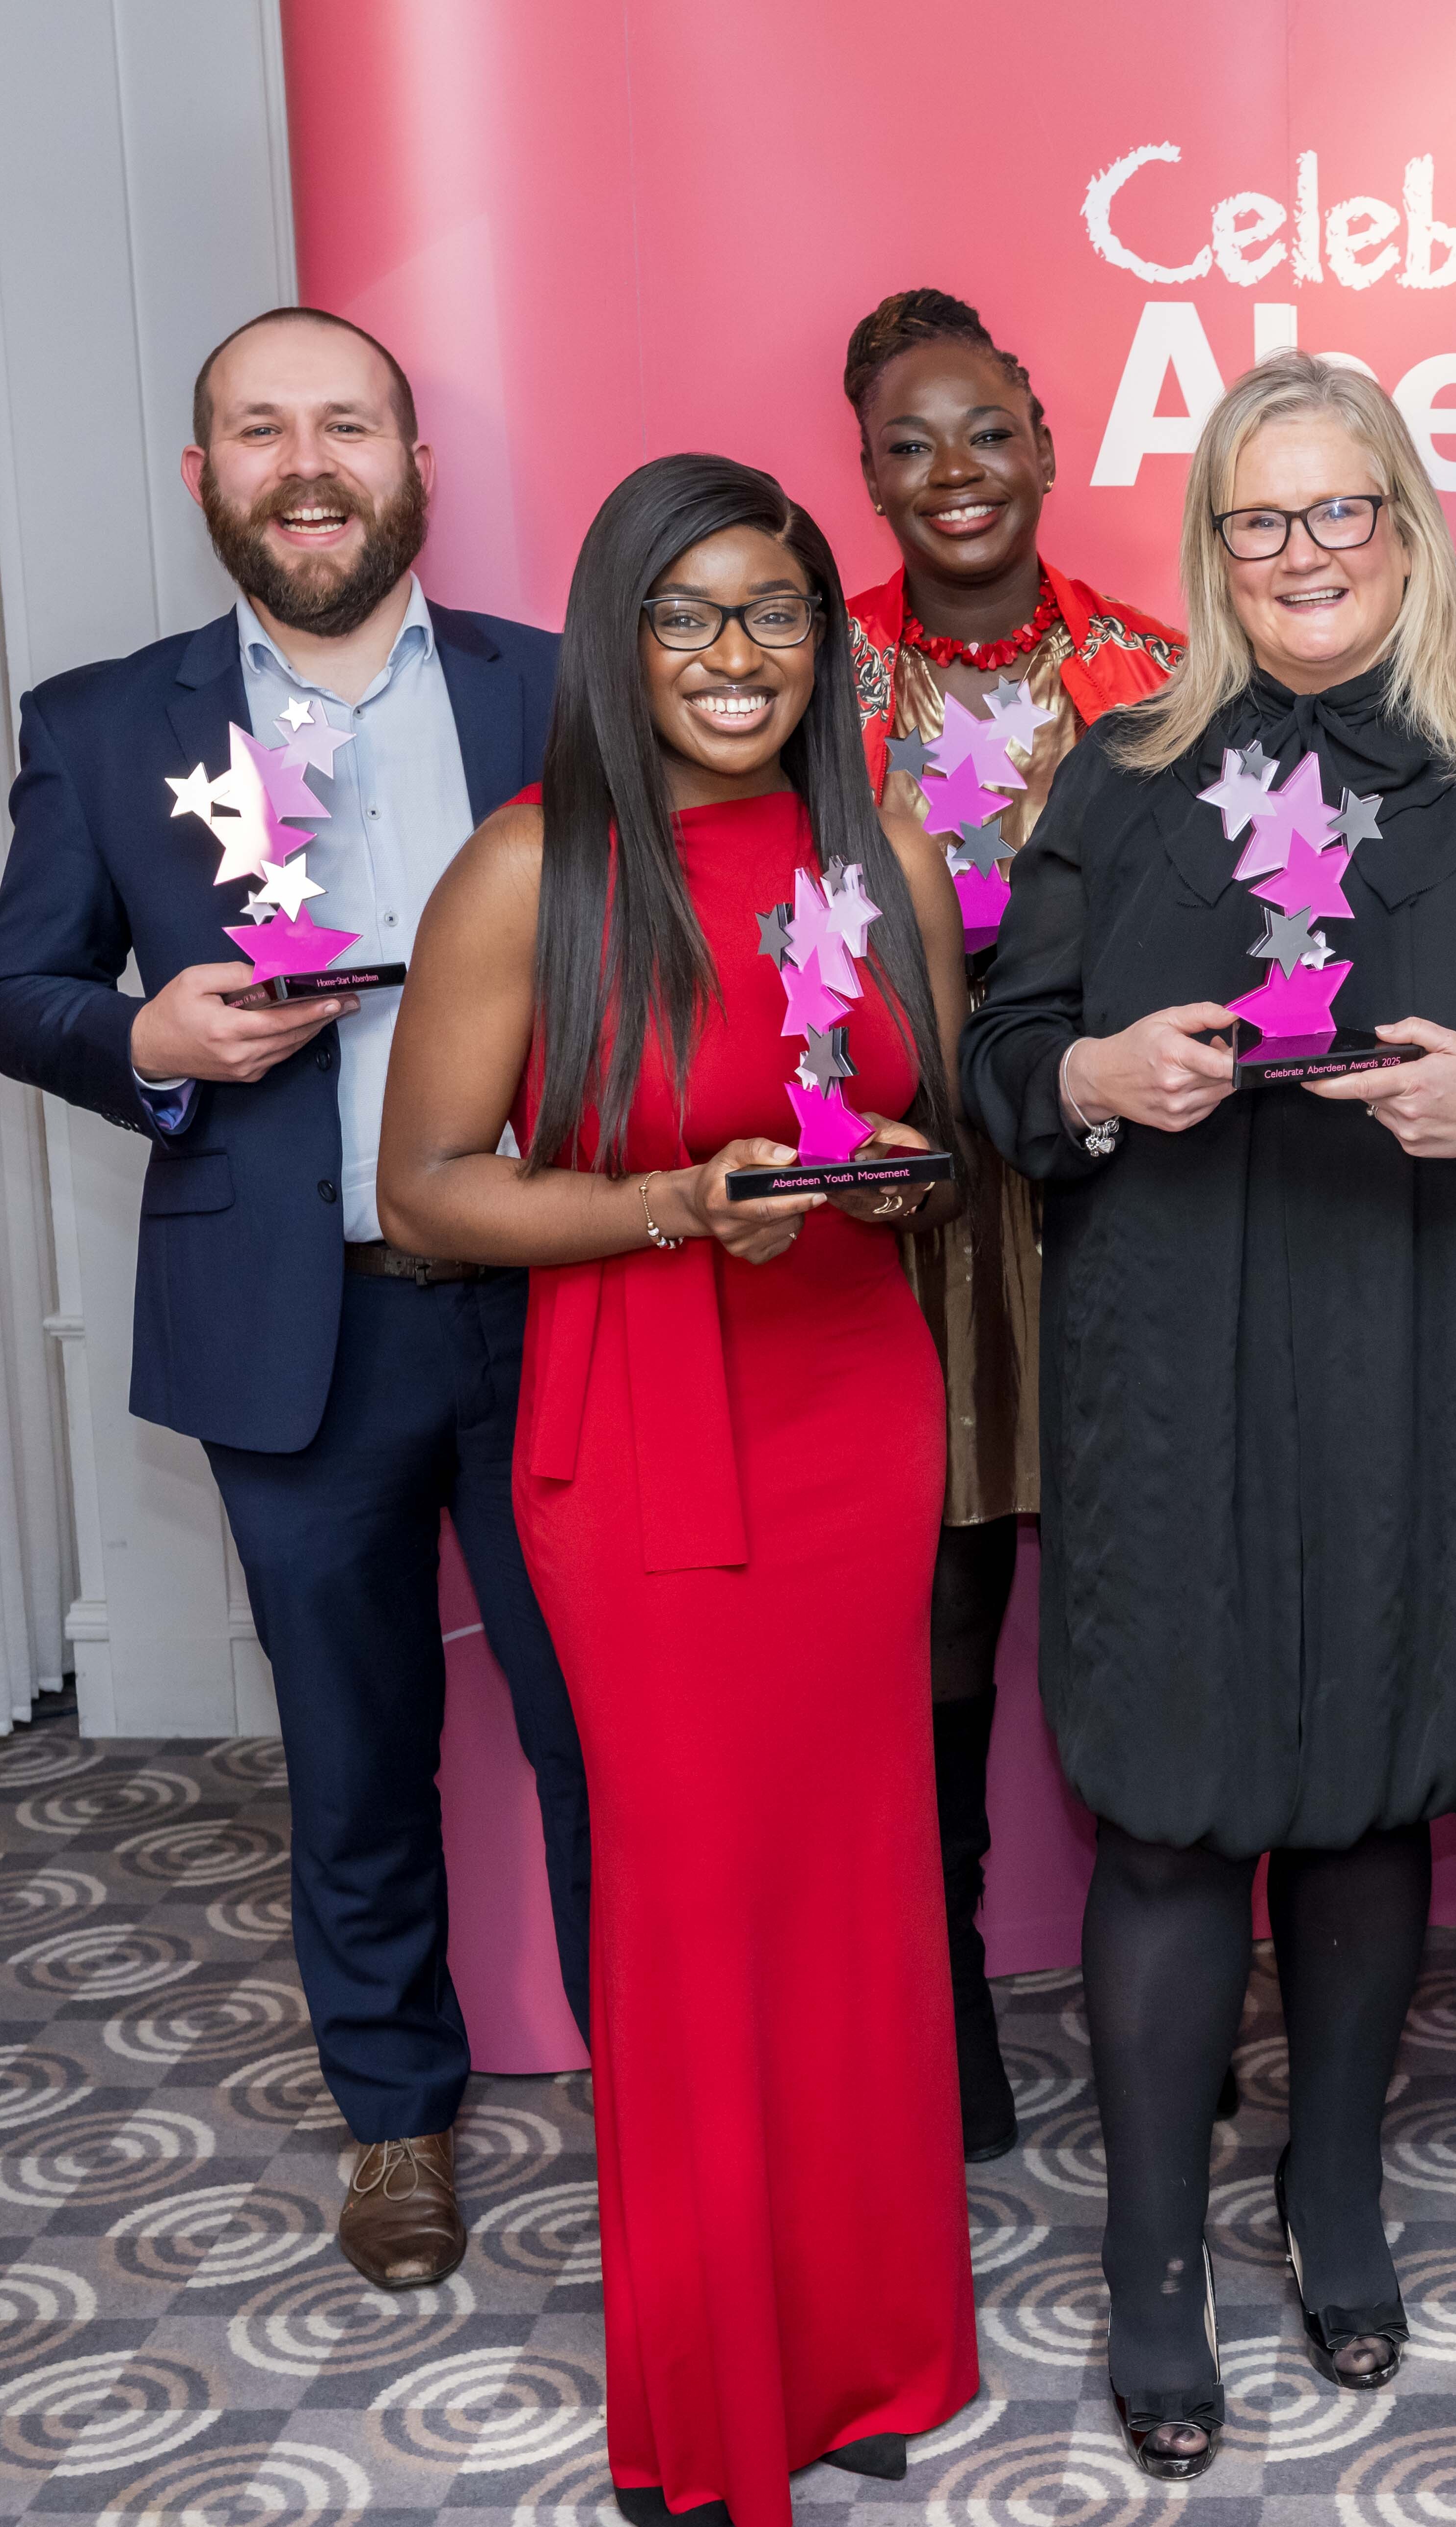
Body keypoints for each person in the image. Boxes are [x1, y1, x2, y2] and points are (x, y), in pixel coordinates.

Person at [960, 352, 1456, 2480]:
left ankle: (1327, 2186)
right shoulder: (1124, 764)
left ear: (1408, 528)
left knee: (1364, 1797)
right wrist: (1086, 1080)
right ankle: (1150, 2260)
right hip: (1171, 1361)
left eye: (1340, 510)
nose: (1303, 555)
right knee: (1169, 1809)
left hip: (1427, 1348)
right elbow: (1006, 1048)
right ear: (1212, 546)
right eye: (1260, 521)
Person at [375, 455, 979, 2524]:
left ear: (828, 642)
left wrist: (894, 1175)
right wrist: (656, 1209)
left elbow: (929, 1128)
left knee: (854, 1886)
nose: (739, 659)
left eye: (779, 616)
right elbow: (425, 1197)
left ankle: (877, 2342)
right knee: (700, 1904)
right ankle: (714, 2387)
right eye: (690, 616)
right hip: (641, 1423)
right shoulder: (531, 875)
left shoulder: (876, 842)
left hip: (849, 1402)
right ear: (619, 640)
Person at [0, 306, 590, 2293]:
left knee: (603, 1729)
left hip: (552, 1294)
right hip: (290, 1322)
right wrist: (147, 1039)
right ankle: (396, 2121)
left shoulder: (555, 694)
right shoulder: (99, 725)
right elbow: (18, 995)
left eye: (345, 425)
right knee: (353, 1743)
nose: (305, 462)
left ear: (414, 467)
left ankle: (658, 2081)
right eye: (259, 430)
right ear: (203, 476)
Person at [837, 286, 1182, 2162]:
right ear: (868, 476)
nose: (954, 472)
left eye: (984, 432)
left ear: (1047, 444)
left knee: (1136, 1579)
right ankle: (947, 2000)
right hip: (909, 1203)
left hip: (1117, 1181)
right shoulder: (817, 684)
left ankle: (1184, 1983)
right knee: (943, 1614)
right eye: (910, 442)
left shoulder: (1152, 668)